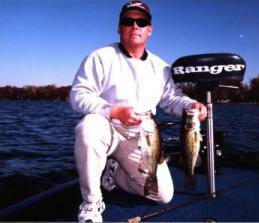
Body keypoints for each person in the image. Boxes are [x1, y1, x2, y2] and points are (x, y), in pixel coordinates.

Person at [70, 1, 207, 222]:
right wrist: (113, 111)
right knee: (89, 127)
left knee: (162, 195)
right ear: (119, 27)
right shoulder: (101, 57)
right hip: (107, 129)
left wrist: (191, 105)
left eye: (141, 22)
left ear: (149, 30)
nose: (135, 26)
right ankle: (91, 201)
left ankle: (112, 172)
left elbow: (172, 99)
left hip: (143, 137)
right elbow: (78, 96)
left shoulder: (161, 67)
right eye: (128, 21)